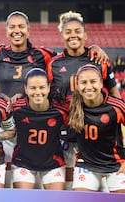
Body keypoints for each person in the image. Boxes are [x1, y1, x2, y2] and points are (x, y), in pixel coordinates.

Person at [0, 11, 108, 188]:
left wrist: (92, 48)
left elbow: (70, 55)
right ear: (7, 30)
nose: (17, 31)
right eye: (12, 27)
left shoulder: (44, 55)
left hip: (34, 125)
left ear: (29, 30)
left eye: (21, 26)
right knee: (6, 182)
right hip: (5, 125)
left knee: (37, 181)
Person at [46, 11, 121, 190]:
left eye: (78, 31)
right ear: (62, 35)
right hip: (67, 133)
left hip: (98, 132)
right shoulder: (53, 64)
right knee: (72, 185)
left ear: (85, 35)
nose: (73, 35)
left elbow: (114, 95)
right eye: (68, 31)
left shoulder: (99, 59)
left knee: (104, 187)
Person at [68, 64, 125, 193]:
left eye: (93, 81)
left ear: (101, 84)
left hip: (117, 165)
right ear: (77, 86)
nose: (88, 86)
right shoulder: (72, 106)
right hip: (86, 165)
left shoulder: (116, 106)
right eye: (83, 82)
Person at [11, 68, 68, 190]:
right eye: (33, 88)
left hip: (53, 163)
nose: (37, 92)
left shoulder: (61, 110)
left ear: (48, 87)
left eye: (42, 87)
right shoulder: (16, 108)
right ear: (26, 89)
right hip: (23, 163)